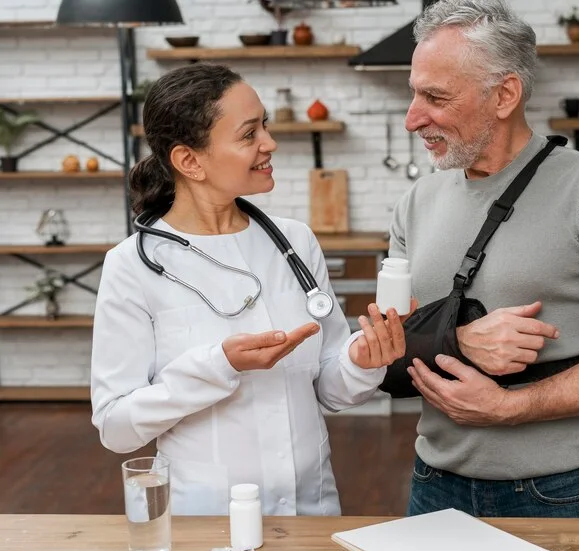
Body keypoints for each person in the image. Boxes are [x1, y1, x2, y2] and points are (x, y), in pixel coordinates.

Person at [390, 0, 579, 518]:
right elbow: (387, 349)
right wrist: (457, 342)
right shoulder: (416, 202)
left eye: (435, 97)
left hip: (562, 492)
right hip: (433, 484)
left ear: (504, 95)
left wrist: (512, 407)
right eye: (413, 93)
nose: (413, 118)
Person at [91, 63, 412, 517]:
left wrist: (362, 359)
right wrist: (217, 366)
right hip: (205, 519)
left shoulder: (295, 242)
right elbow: (116, 427)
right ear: (189, 161)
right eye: (248, 134)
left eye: (266, 124)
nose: (270, 143)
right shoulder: (131, 266)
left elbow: (331, 390)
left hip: (311, 507)